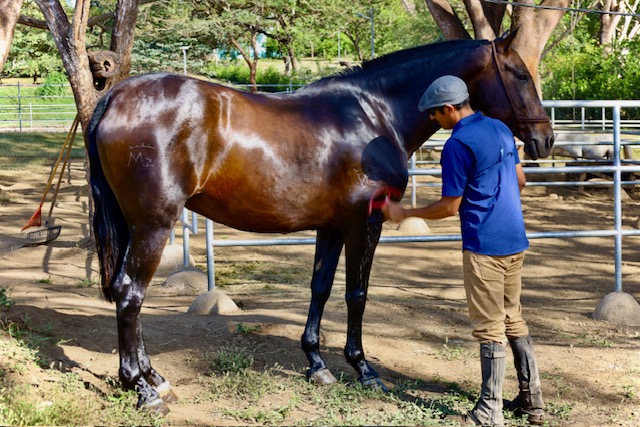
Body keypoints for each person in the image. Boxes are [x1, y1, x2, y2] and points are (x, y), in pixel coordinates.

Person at [382, 75, 544, 427]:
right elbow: (520, 181)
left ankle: (489, 411)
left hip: (484, 245)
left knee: (489, 327)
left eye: (435, 115)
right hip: (515, 238)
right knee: (512, 316)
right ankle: (533, 400)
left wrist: (405, 212)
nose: (432, 120)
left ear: (450, 109)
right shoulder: (500, 129)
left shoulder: (457, 144)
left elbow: (449, 207)